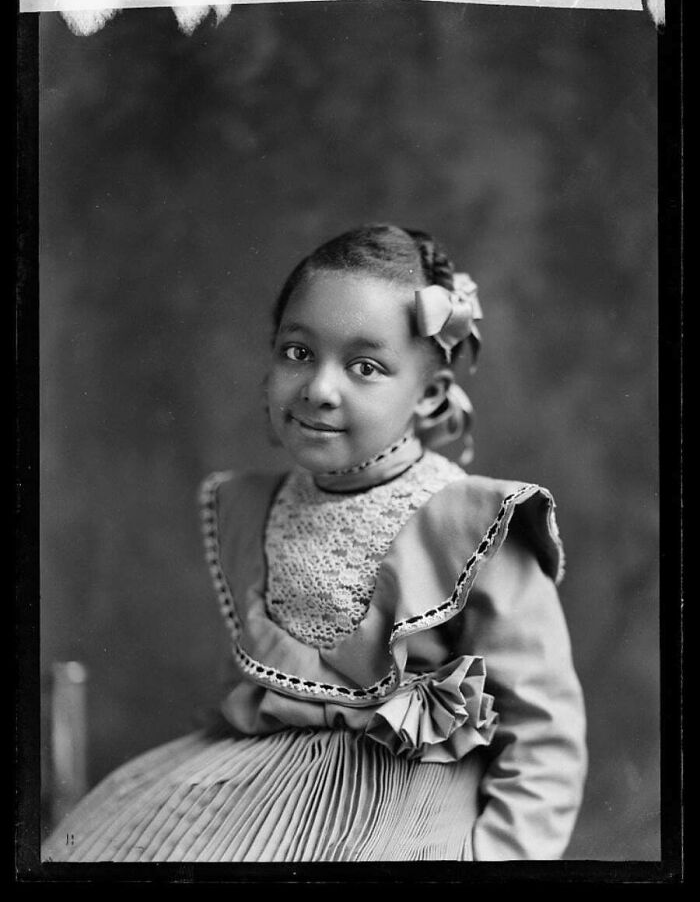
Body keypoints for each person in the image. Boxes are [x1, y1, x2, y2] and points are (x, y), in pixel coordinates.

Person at [43, 224, 587, 863]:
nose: (319, 389)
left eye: (365, 366)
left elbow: (544, 738)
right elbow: (260, 685)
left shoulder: (473, 526)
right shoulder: (260, 508)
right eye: (297, 353)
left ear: (430, 393)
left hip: (399, 813)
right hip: (258, 795)